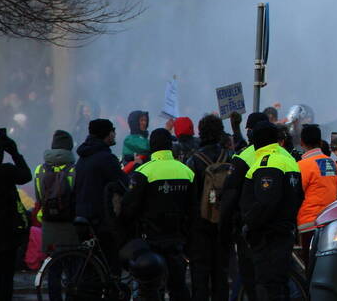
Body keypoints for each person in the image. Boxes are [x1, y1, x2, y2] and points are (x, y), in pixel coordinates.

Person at [120, 128, 195, 301]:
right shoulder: (186, 171)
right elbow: (193, 209)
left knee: (151, 289)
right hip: (177, 241)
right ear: (170, 146)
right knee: (178, 287)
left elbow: (129, 207)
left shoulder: (144, 172)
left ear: (152, 147)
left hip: (150, 242)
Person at [240, 122, 304, 301]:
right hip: (285, 232)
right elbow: (299, 196)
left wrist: (250, 225)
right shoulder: (288, 160)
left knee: (268, 286)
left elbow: (266, 202)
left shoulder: (267, 162)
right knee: (280, 285)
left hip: (267, 237)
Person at [219, 111, 268, 301]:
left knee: (251, 279)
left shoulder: (243, 158)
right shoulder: (286, 155)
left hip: (249, 229)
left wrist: (224, 231)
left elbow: (230, 197)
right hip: (279, 228)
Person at [186, 115, 233, 301]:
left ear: (201, 132)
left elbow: (191, 197)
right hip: (223, 224)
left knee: (200, 277)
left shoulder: (194, 160)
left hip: (200, 225)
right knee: (221, 275)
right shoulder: (229, 157)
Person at [0, 132, 31, 301]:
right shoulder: (6, 171)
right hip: (6, 237)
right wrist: (14, 152)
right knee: (4, 282)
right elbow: (26, 176)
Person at [74, 119, 126, 270]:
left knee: (92, 263)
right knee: (111, 259)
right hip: (100, 217)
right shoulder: (106, 158)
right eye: (113, 131)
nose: (115, 134)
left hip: (82, 213)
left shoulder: (84, 156)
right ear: (107, 134)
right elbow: (123, 184)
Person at [33, 131, 79, 255]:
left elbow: (38, 198)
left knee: (52, 260)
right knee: (71, 258)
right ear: (69, 148)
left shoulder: (39, 170)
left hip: (47, 221)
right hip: (69, 222)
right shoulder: (75, 169)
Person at [295, 125, 337, 252]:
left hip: (309, 223)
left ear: (301, 142)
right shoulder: (332, 163)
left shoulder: (301, 165)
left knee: (310, 262)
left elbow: (296, 194)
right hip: (331, 221)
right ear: (320, 142)